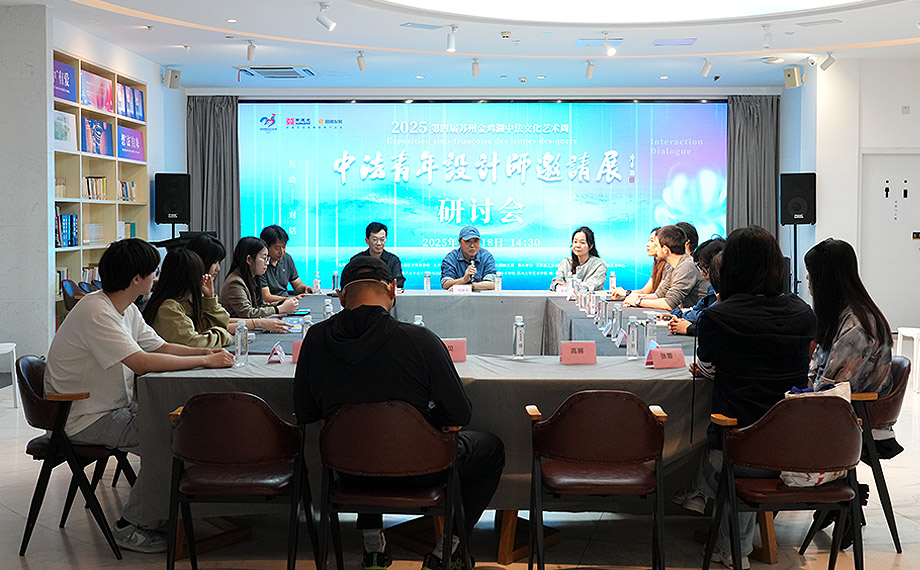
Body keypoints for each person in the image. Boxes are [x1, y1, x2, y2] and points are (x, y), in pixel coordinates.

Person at [294, 256, 505, 570]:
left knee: (361, 440)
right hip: (422, 469)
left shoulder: (315, 339)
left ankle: (373, 547)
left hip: (348, 472)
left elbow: (305, 411)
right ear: (393, 289)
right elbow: (459, 414)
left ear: (340, 296)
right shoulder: (420, 340)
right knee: (491, 450)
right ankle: (447, 551)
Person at [44, 238, 234, 554]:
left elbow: (160, 346)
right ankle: (130, 525)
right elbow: (142, 362)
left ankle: (165, 512)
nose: (155, 277)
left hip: (110, 409)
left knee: (184, 426)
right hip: (84, 419)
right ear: (136, 279)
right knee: (171, 439)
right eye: (152, 272)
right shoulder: (96, 312)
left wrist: (206, 353)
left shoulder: (126, 308)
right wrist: (204, 361)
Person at [691, 226, 817, 569]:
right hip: (793, 445)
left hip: (739, 445)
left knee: (723, 450)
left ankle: (730, 546)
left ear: (730, 266)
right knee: (746, 444)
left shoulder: (718, 316)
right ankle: (729, 540)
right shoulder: (803, 312)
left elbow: (708, 370)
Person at [143, 248, 291, 346]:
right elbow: (195, 342)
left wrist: (209, 298)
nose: (218, 268)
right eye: (215, 262)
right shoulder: (169, 308)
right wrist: (225, 334)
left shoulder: (184, 302)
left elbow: (218, 322)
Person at [624, 225, 708, 310]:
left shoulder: (687, 266)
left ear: (665, 249)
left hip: (697, 316)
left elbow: (669, 303)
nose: (655, 249)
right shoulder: (671, 265)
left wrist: (638, 302)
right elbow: (659, 295)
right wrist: (635, 297)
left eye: (656, 246)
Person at [220, 237, 298, 318]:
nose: (267, 263)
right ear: (249, 260)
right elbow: (247, 313)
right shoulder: (235, 282)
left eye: (267, 259)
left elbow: (260, 305)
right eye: (264, 258)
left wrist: (282, 303)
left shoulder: (253, 277)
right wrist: (279, 309)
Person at [664, 238, 725, 335]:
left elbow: (707, 316)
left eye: (705, 267)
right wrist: (679, 313)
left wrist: (688, 327)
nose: (702, 273)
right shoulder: (712, 288)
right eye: (700, 267)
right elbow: (697, 309)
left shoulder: (727, 291)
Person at [259, 225, 312, 302]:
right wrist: (291, 299)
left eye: (283, 247)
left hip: (287, 301)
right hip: (270, 305)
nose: (281, 251)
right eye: (277, 248)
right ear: (266, 246)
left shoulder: (287, 258)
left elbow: (297, 284)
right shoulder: (260, 264)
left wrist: (305, 288)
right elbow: (266, 297)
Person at [612, 227, 669, 298]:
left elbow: (658, 296)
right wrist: (623, 293)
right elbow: (645, 291)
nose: (647, 244)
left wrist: (627, 294)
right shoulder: (658, 265)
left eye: (652, 241)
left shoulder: (669, 266)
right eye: (649, 240)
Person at [550, 226, 608, 291]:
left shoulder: (599, 265)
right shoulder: (565, 263)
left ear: (591, 246)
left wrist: (568, 286)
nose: (578, 245)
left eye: (582, 242)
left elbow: (590, 285)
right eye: (575, 242)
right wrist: (557, 285)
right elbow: (555, 282)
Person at [440, 225, 497, 291]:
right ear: (460, 242)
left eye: (475, 241)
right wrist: (464, 280)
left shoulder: (486, 256)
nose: (472, 245)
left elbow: (492, 284)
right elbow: (445, 284)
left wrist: (469, 287)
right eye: (467, 241)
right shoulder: (451, 258)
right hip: (456, 297)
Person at [351, 221, 405, 289]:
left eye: (382, 239)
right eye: (375, 239)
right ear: (367, 241)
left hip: (385, 294)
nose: (379, 243)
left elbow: (399, 281)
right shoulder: (356, 260)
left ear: (385, 241)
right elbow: (348, 281)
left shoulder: (393, 260)